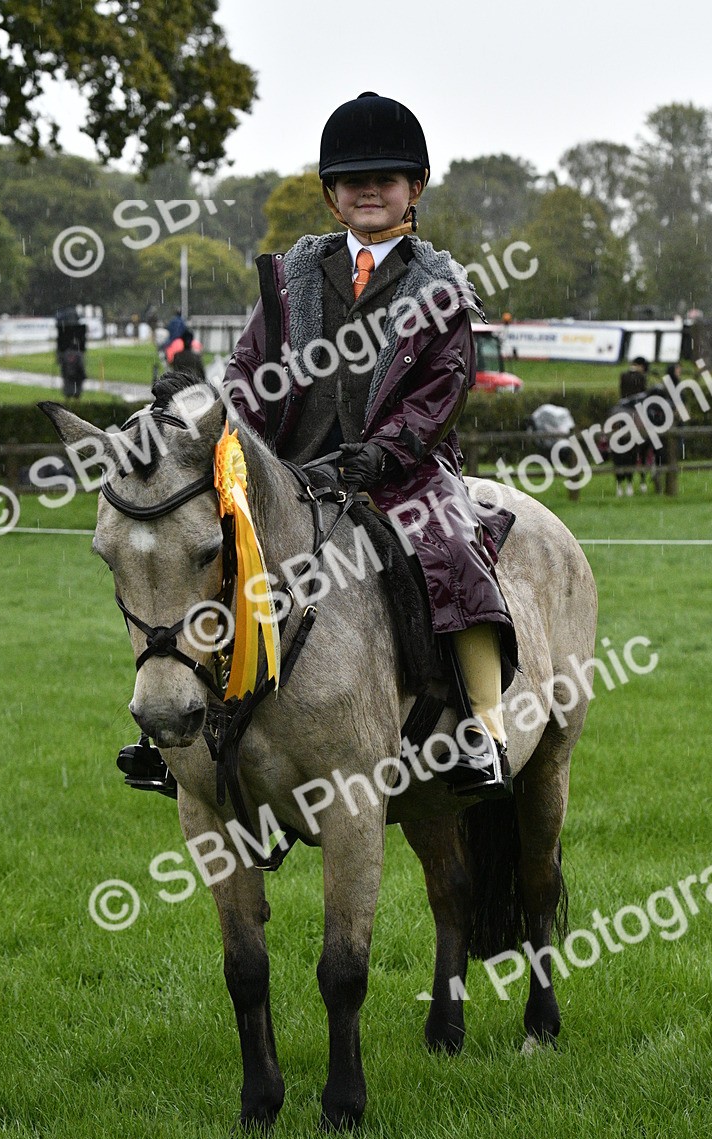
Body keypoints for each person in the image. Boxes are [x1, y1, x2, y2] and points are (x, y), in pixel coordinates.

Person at [220, 92, 518, 796]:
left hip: (400, 471)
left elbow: (443, 385)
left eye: (386, 180)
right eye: (354, 182)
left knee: (454, 551)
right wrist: (238, 433)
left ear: (413, 189)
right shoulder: (290, 281)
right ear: (332, 197)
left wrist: (386, 452)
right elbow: (248, 366)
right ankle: (173, 732)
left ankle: (485, 729)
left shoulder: (439, 287)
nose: (369, 192)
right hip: (290, 465)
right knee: (192, 547)